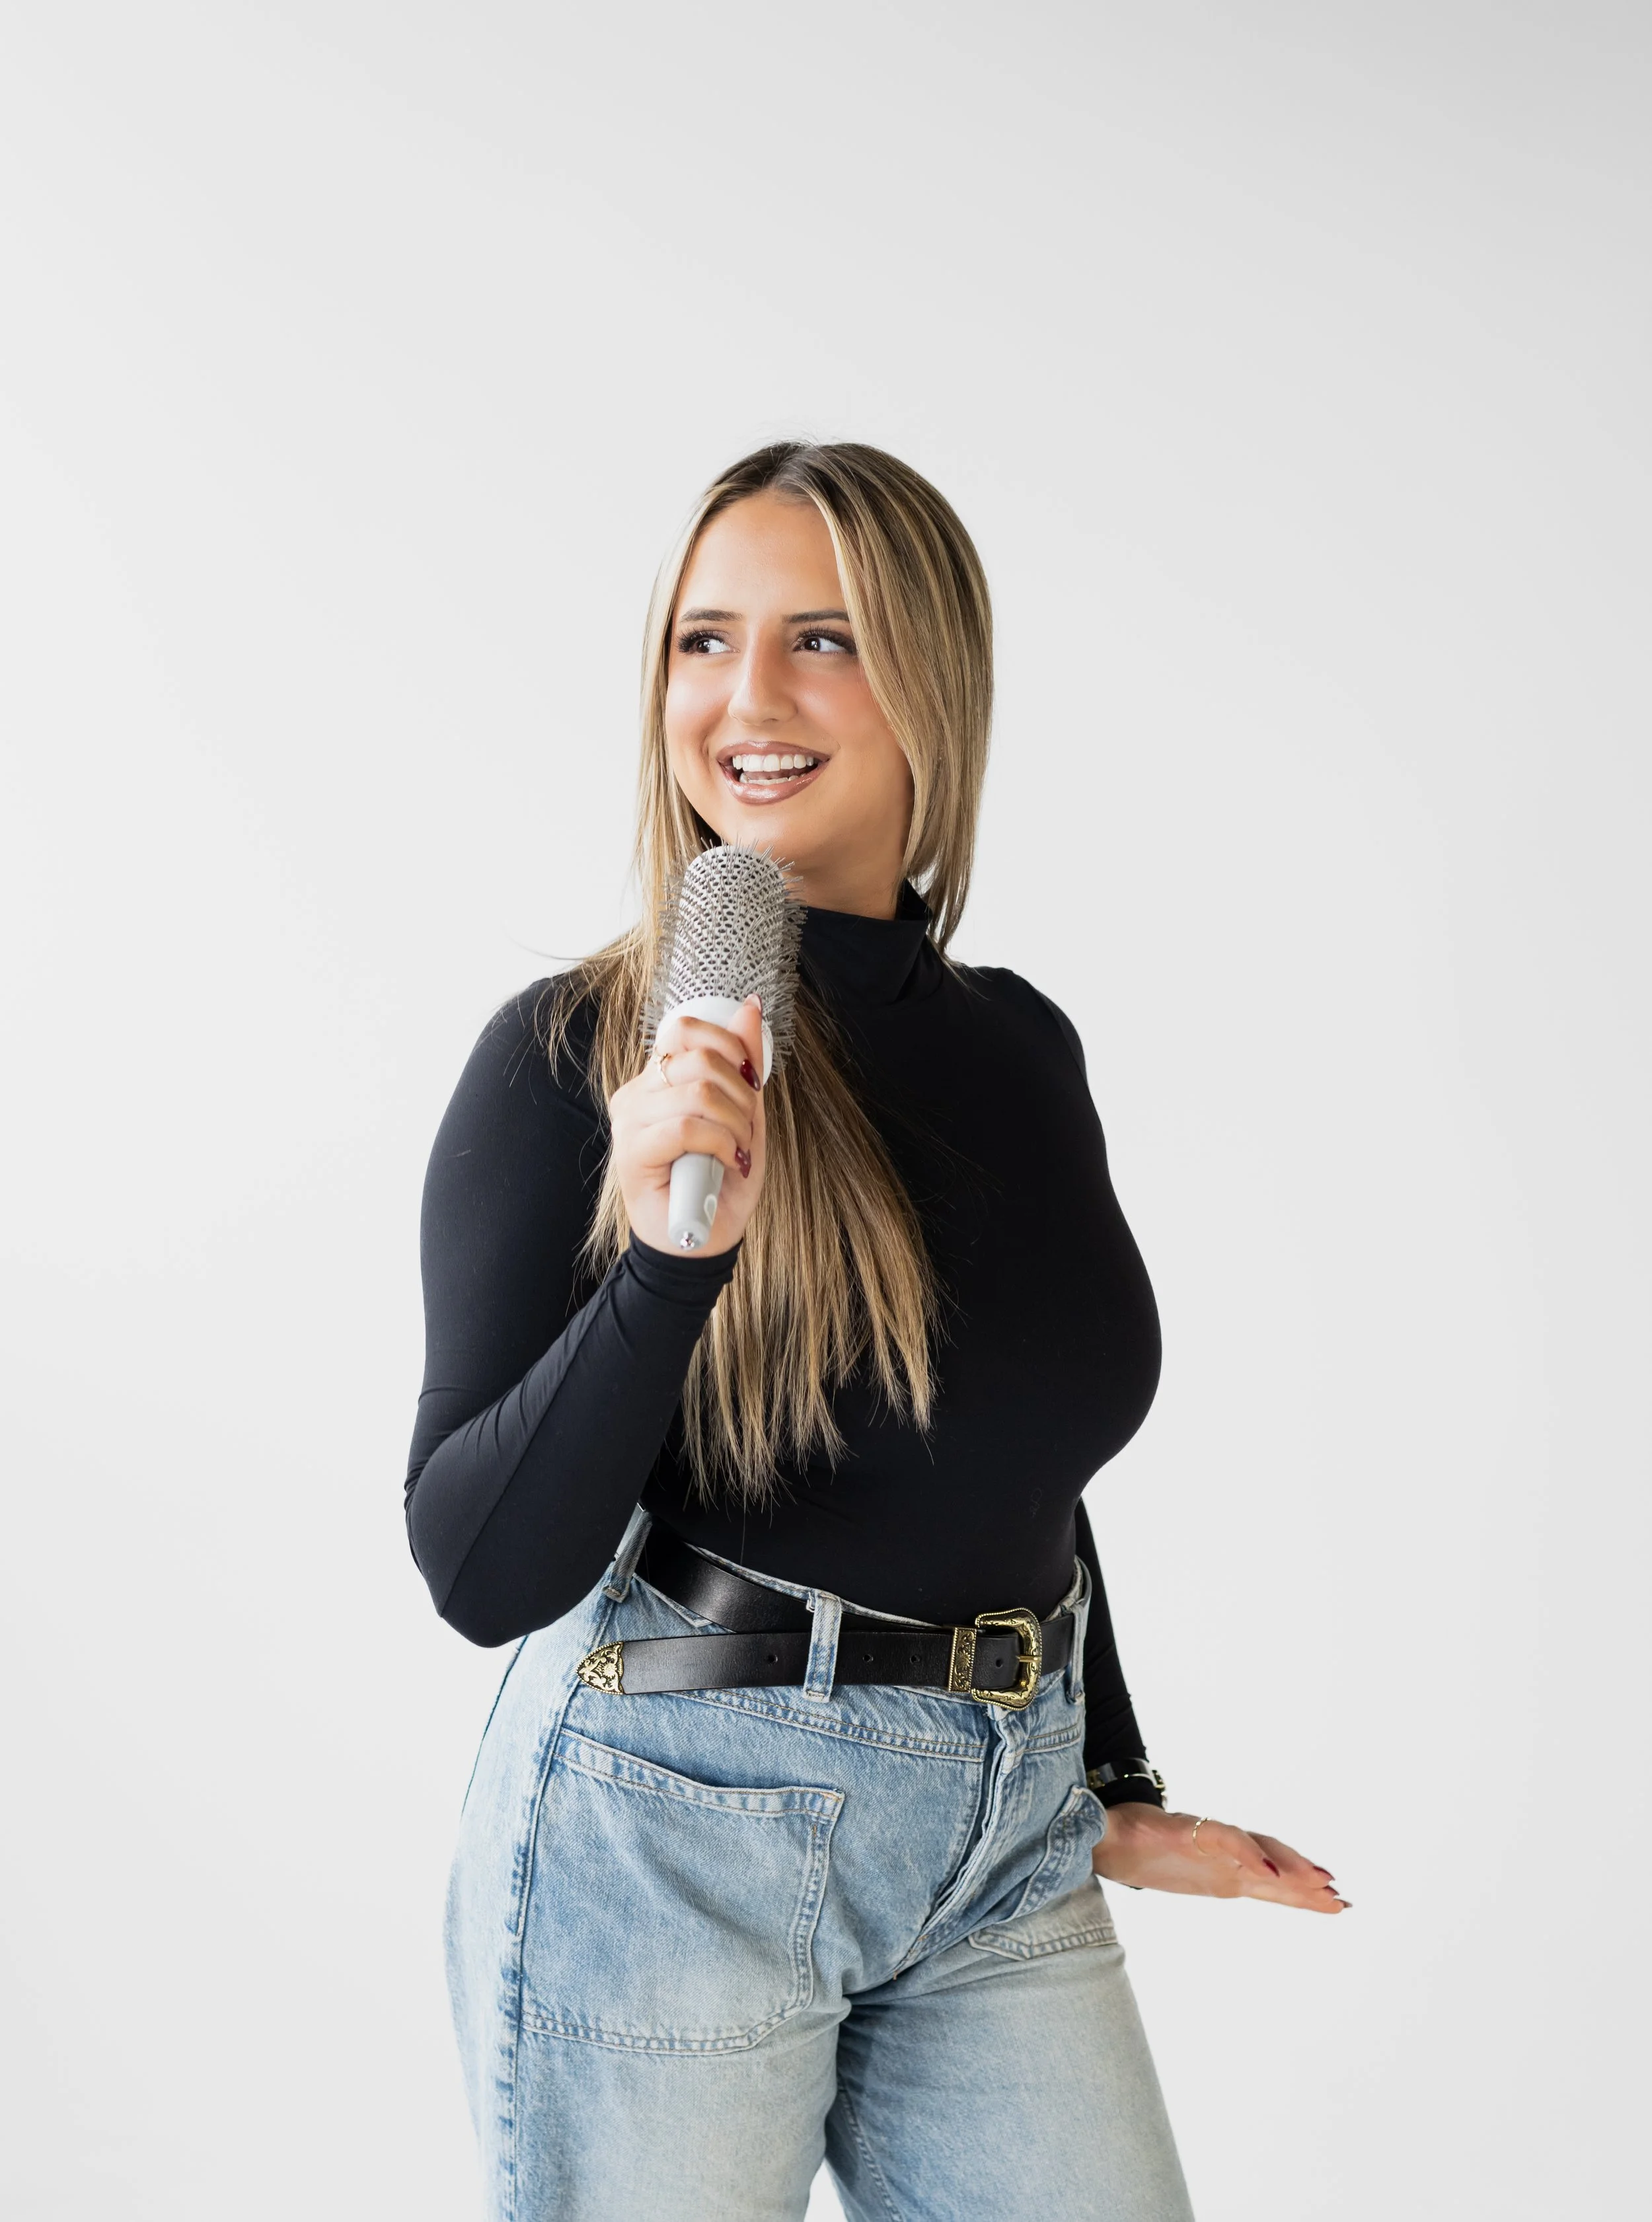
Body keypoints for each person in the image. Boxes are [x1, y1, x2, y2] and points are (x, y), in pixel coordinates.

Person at [405, 441, 1345, 2221]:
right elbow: (478, 1570)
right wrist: (669, 1263)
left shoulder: (1019, 1045)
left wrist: (1108, 1778)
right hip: (673, 1823)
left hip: (1000, 1833)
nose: (743, 697)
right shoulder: (570, 1056)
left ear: (933, 675)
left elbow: (1019, 1459)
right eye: (700, 641)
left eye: (818, 639)